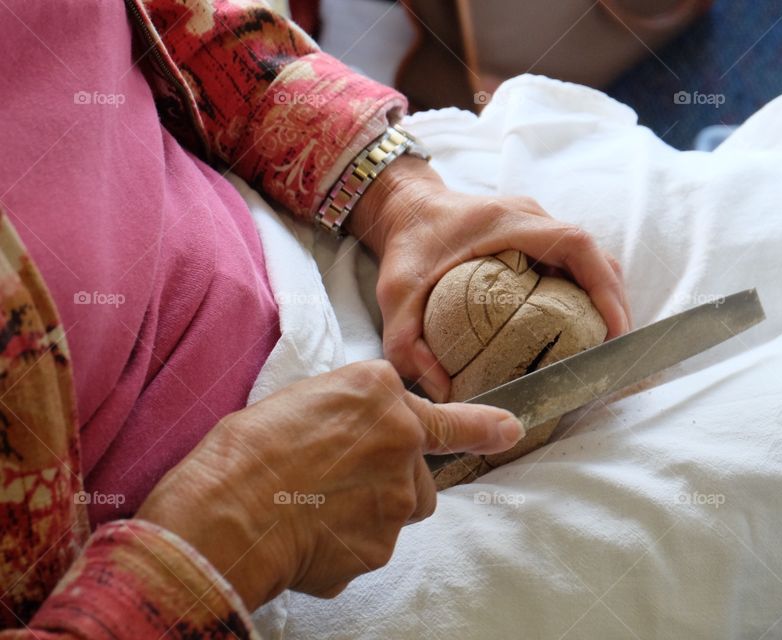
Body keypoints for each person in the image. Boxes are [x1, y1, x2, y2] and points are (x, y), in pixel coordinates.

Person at [0, 0, 630, 637]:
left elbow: (168, 18)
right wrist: (234, 532)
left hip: (305, 221)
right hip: (246, 576)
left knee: (664, 211)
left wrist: (392, 193)